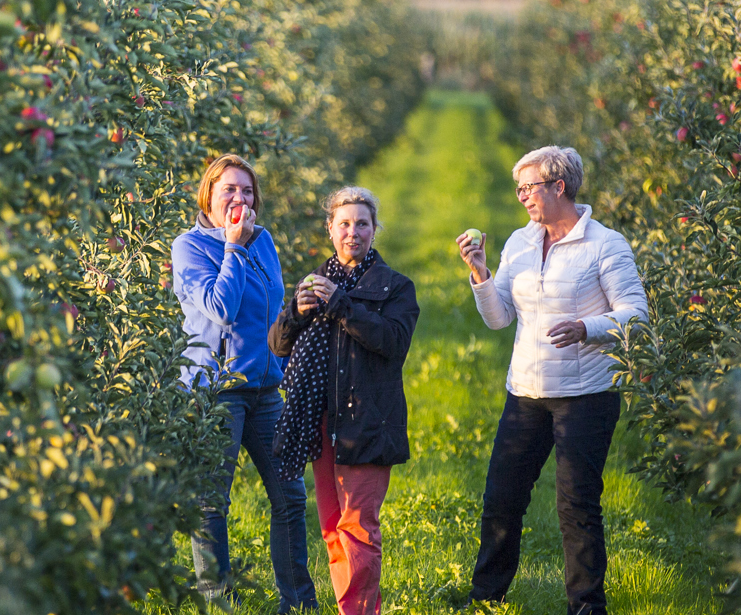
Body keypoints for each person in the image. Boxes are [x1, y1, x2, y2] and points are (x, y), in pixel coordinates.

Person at [455, 146, 649, 615]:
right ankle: (486, 598)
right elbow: (499, 318)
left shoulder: (605, 244)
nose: (523, 197)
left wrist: (588, 327)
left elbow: (637, 316)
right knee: (502, 498)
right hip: (525, 392)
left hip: (586, 396)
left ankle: (586, 607)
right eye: (518, 188)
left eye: (529, 187)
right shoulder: (520, 243)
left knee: (576, 506)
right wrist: (480, 273)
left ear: (558, 186)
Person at [168, 153, 318, 612]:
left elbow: (272, 305)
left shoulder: (265, 240)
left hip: (265, 389)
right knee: (212, 502)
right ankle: (218, 602)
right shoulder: (189, 246)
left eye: (247, 190)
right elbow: (220, 307)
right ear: (208, 196)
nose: (240, 198)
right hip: (214, 391)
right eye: (229, 189)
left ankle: (298, 602)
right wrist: (232, 246)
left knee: (291, 495)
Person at [269, 187, 418, 615]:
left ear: (375, 231)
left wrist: (342, 305)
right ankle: (347, 606)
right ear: (330, 229)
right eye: (345, 224)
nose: (353, 232)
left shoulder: (395, 287)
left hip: (366, 421)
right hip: (320, 424)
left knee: (359, 528)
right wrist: (296, 312)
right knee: (334, 528)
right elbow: (278, 344)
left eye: (363, 224)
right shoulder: (314, 281)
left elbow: (392, 342)